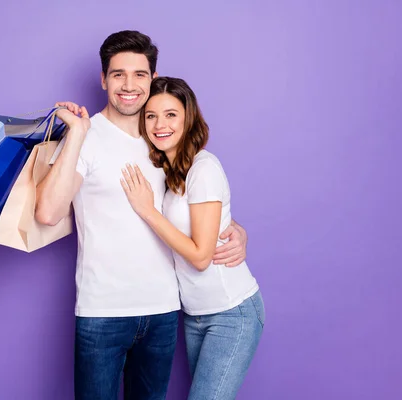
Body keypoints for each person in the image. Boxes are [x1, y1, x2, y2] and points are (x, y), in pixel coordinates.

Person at [35, 31, 248, 400]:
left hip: (164, 310)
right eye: (118, 74)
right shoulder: (85, 136)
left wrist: (236, 230)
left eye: (139, 74)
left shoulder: (161, 138)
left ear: (152, 78)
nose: (129, 85)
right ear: (103, 79)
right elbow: (49, 212)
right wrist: (78, 135)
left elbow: (195, 198)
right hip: (102, 311)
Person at [120, 76, 264, 400]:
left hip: (232, 312)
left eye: (171, 114)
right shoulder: (170, 171)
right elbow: (205, 219)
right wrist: (237, 228)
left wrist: (147, 210)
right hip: (195, 313)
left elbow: (200, 257)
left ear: (188, 118)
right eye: (151, 115)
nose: (160, 124)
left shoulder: (204, 168)